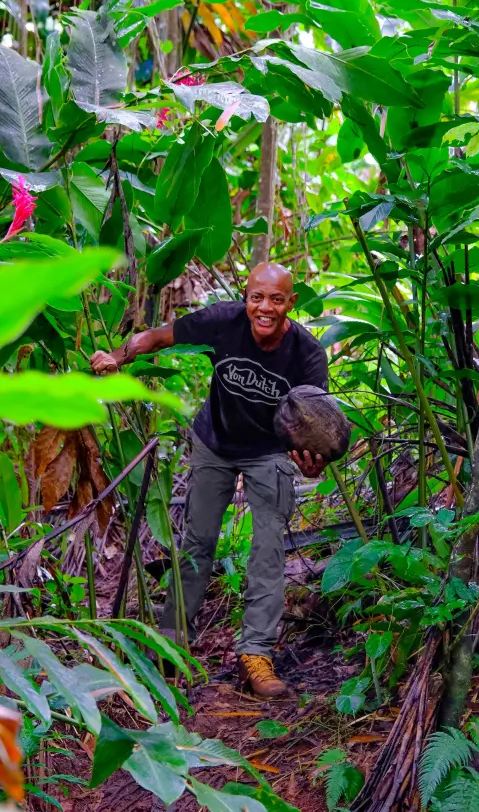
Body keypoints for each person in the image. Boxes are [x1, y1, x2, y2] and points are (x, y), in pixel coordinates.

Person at [90, 263, 328, 698]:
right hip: (214, 442)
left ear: (291, 303)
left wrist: (314, 463)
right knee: (197, 543)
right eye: (257, 297)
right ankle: (171, 644)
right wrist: (118, 357)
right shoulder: (223, 321)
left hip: (269, 452)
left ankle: (256, 655)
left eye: (277, 299)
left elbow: (315, 426)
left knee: (269, 548)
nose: (265, 307)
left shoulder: (307, 355)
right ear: (246, 297)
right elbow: (158, 337)